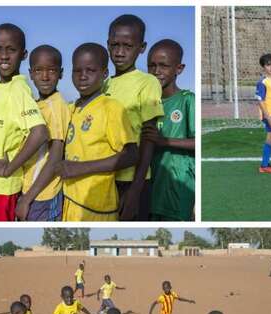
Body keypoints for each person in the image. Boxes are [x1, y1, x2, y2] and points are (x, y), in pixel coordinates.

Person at [54, 43, 138, 221]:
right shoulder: (71, 109)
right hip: (69, 199)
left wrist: (81, 168)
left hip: (97, 206)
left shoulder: (111, 108)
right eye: (77, 71)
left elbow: (131, 155)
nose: (83, 76)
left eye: (90, 71)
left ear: (105, 74)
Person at [0, 23, 49, 221]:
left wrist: (8, 169)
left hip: (2, 186)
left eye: (11, 50)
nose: (4, 56)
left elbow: (40, 132)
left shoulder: (18, 89)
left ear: (23, 54)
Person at [105, 14, 164, 220]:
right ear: (107, 45)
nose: (120, 52)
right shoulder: (102, 84)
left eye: (127, 46)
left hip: (132, 180)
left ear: (141, 47)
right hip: (104, 177)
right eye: (115, 45)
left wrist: (135, 191)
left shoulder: (147, 83)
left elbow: (148, 138)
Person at [15, 45, 69, 221]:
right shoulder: (39, 104)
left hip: (44, 194)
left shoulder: (56, 106)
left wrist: (27, 199)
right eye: (39, 70)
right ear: (31, 73)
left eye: (51, 70)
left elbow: (55, 158)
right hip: (31, 190)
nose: (45, 76)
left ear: (60, 73)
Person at [146, 39, 195, 221]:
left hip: (177, 187)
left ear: (179, 68)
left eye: (163, 66)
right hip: (150, 187)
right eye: (151, 66)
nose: (156, 71)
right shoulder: (147, 102)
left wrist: (164, 141)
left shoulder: (187, 100)